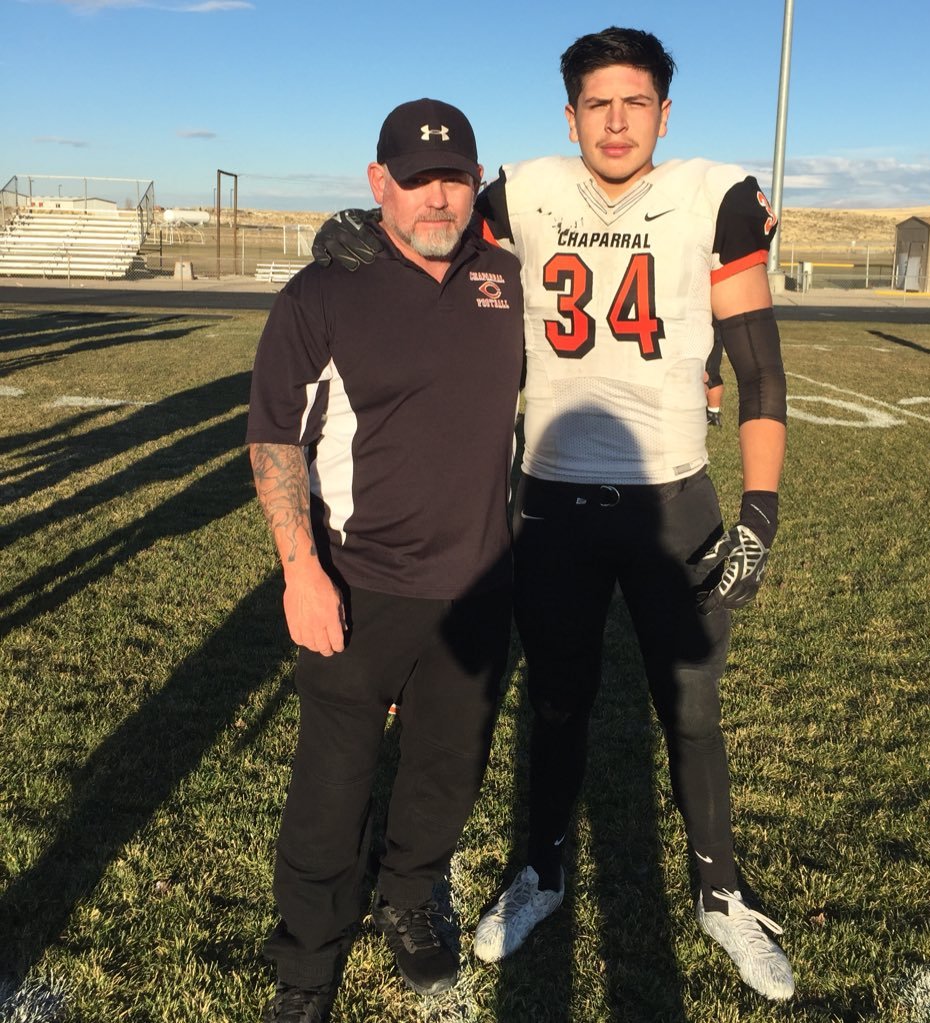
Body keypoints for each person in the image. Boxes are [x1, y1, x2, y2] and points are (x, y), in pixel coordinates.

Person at [312, 26, 792, 1002]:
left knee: (691, 709)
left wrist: (761, 512)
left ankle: (719, 893)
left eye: (636, 103)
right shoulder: (524, 191)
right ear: (569, 114)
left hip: (674, 495)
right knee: (559, 697)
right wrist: (364, 237)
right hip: (558, 499)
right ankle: (541, 870)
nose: (617, 124)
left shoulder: (717, 197)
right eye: (597, 105)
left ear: (666, 110)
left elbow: (760, 370)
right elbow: (435, 245)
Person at [246, 98, 524, 1022]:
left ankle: (410, 894)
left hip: (480, 584)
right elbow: (275, 443)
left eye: (454, 179)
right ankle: (307, 966)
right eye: (415, 182)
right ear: (379, 186)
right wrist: (300, 571)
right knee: (331, 789)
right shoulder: (321, 293)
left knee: (445, 769)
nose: (437, 199)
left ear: (476, 181)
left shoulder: (510, 277)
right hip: (355, 585)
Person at [705, 322, 725, 427]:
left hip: (701, 326)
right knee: (713, 372)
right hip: (716, 326)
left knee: (700, 373)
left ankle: (700, 413)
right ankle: (714, 413)